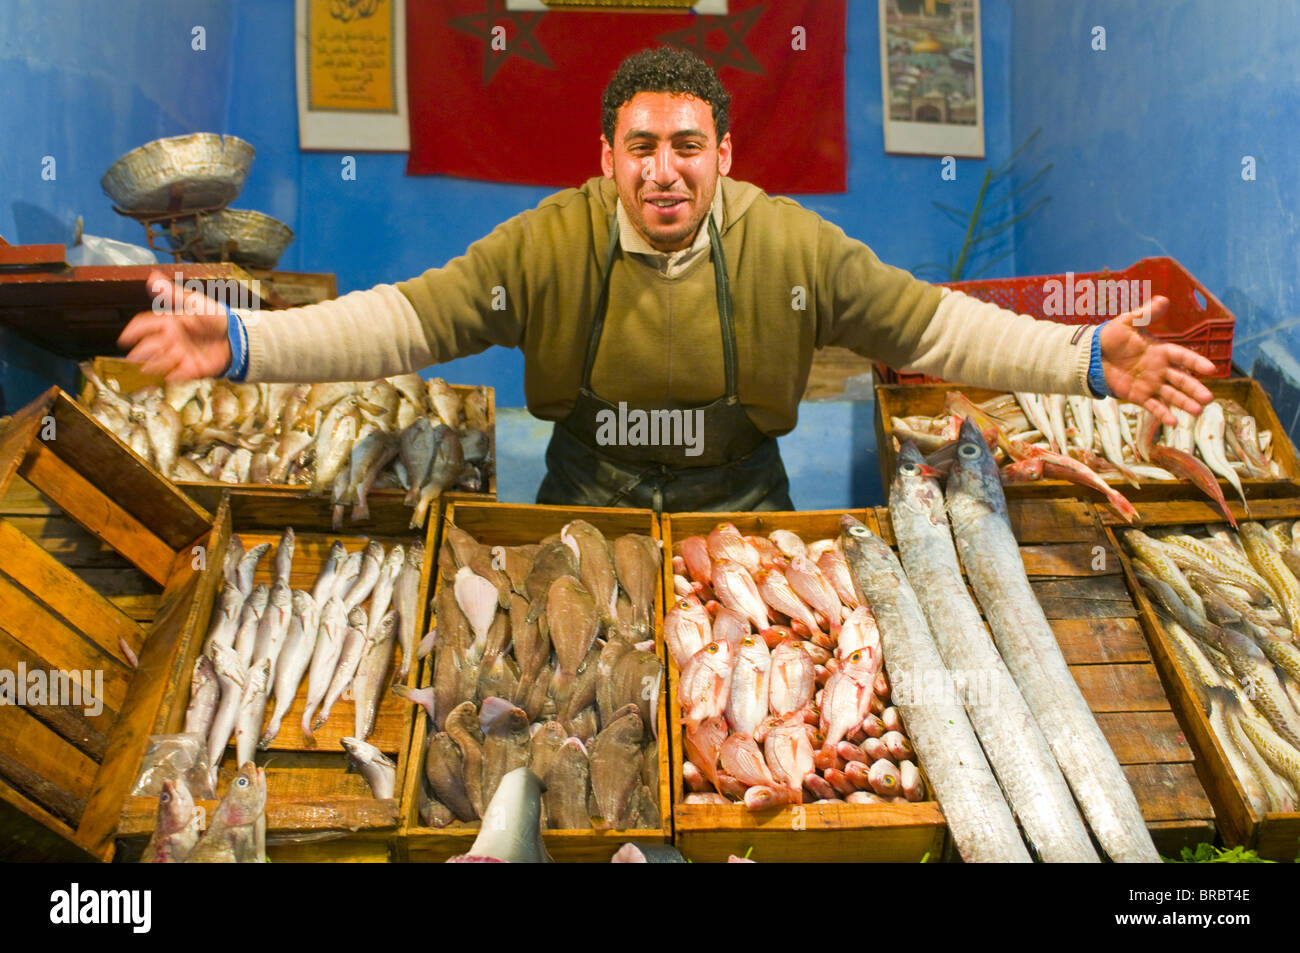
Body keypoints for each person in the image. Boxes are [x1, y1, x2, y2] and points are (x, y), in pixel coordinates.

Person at [118, 47, 1213, 512]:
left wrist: (1084, 361)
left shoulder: (796, 247)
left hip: (742, 497)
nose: (663, 169)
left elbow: (935, 329)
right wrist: (248, 343)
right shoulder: (545, 244)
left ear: (725, 155)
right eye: (639, 146)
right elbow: (403, 323)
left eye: (688, 144)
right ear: (606, 159)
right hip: (581, 494)